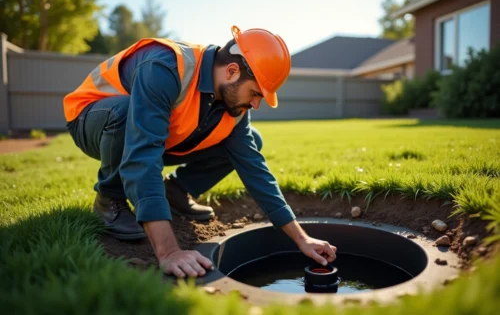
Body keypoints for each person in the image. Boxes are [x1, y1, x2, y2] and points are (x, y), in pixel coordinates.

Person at [63, 25, 337, 278]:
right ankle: (109, 199)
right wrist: (169, 252)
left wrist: (302, 238)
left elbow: (254, 168)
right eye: (255, 93)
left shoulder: (233, 103)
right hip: (94, 119)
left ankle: (176, 191)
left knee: (252, 140)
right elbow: (142, 156)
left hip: (156, 134)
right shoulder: (165, 66)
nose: (256, 105)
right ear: (232, 71)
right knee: (125, 114)